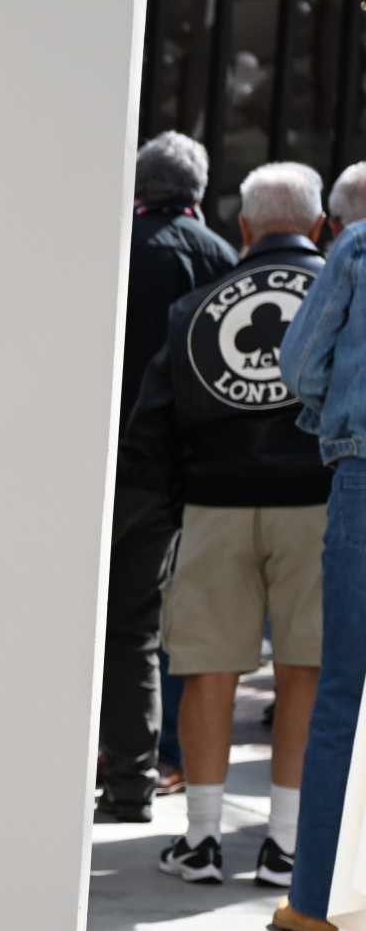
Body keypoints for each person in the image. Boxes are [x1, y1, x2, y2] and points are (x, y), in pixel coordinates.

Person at [125, 162, 327, 888]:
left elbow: (151, 422)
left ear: (243, 226)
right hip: (316, 503)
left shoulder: (197, 307)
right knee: (305, 668)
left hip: (214, 503)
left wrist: (180, 500)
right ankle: (284, 846)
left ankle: (202, 839)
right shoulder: (337, 296)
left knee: (207, 668)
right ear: (320, 226)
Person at [99, 134, 244, 822]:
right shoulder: (222, 261)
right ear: (198, 193)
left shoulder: (111, 245)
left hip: (96, 468)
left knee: (64, 620)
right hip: (168, 479)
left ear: (140, 187)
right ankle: (133, 782)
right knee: (136, 630)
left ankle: (56, 769)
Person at [273, 163, 366, 931]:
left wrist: (331, 422)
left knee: (342, 693)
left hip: (364, 475)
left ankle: (312, 904)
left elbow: (299, 363)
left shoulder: (357, 247)